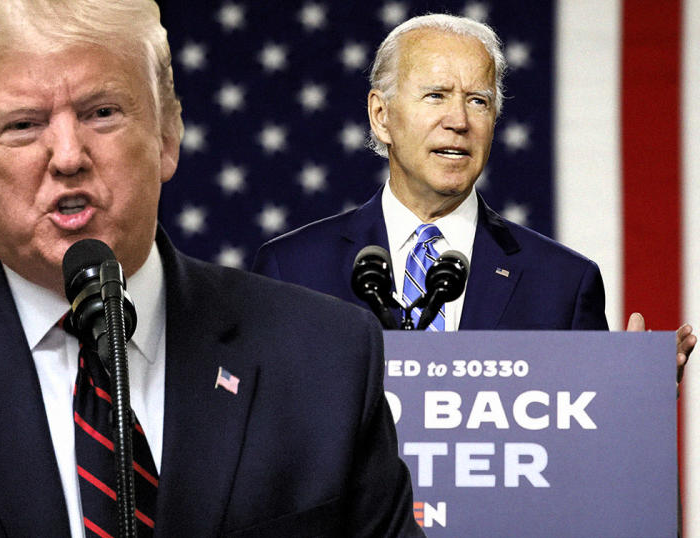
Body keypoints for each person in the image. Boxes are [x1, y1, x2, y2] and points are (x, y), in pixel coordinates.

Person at [0, 1, 423, 538]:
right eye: (23, 125)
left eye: (102, 113)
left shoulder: (323, 354)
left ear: (166, 138)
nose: (67, 155)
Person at [252, 14, 695, 371]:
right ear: (381, 115)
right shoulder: (291, 270)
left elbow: (582, 447)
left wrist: (631, 397)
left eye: (478, 101)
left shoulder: (561, 285)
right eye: (436, 96)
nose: (459, 121)